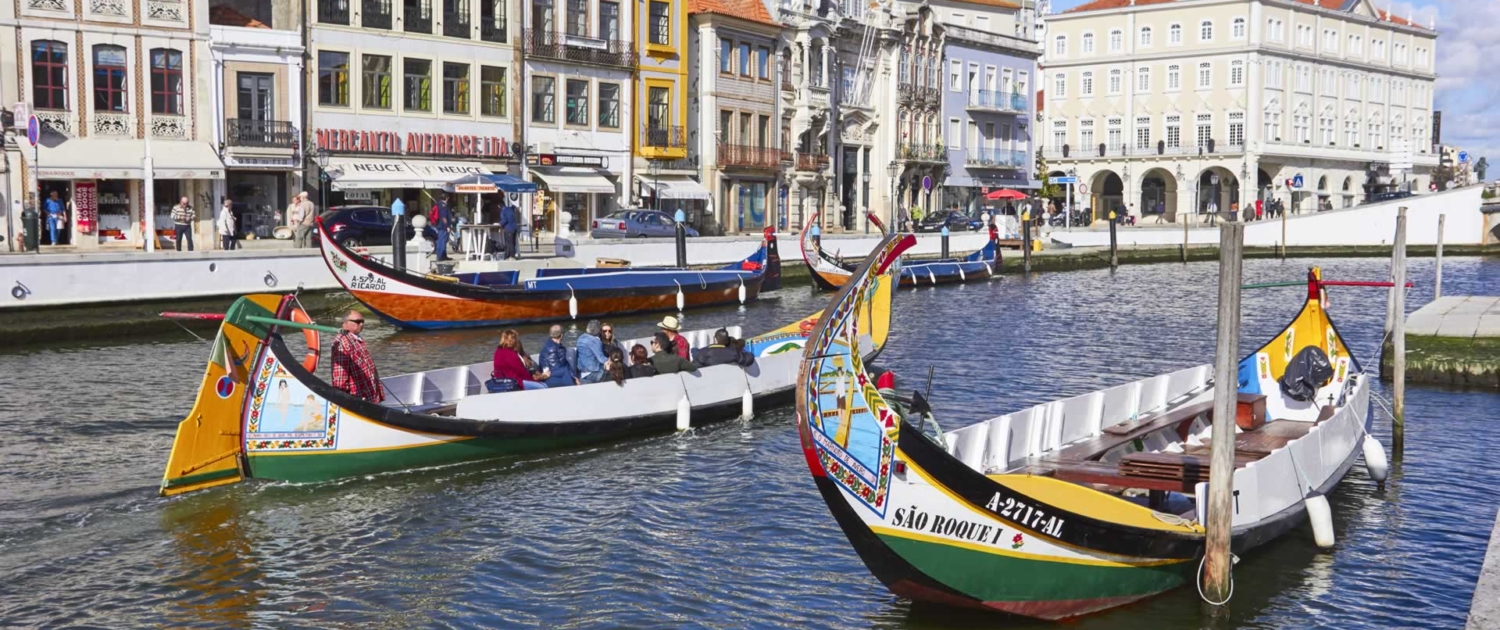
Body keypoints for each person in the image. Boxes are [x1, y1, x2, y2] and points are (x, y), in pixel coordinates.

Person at [331, 310, 385, 402]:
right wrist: (344, 399)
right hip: (358, 397)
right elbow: (340, 376)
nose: (361, 324)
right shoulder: (342, 342)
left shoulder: (356, 338)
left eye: (362, 322)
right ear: (346, 323)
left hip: (369, 395)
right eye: (358, 322)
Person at [576, 320, 609, 384]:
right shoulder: (595, 341)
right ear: (598, 331)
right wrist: (612, 360)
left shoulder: (581, 338)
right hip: (593, 373)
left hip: (582, 373)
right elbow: (601, 359)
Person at [432, 193, 453, 261]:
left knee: (442, 240)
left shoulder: (438, 204)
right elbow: (444, 217)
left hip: (439, 225)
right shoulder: (443, 206)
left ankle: (443, 255)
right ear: (446, 198)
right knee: (442, 241)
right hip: (443, 226)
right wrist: (447, 226)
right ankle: (441, 256)